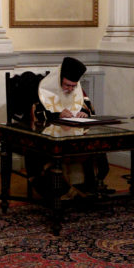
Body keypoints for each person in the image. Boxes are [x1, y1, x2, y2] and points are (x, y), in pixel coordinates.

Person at [36, 56, 109, 195]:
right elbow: (36, 114)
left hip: (76, 133)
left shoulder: (77, 89)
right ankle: (62, 191)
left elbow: (89, 107)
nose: (70, 89)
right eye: (67, 85)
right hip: (52, 135)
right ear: (59, 80)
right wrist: (57, 114)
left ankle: (91, 185)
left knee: (96, 145)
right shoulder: (44, 89)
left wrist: (84, 112)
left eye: (73, 86)